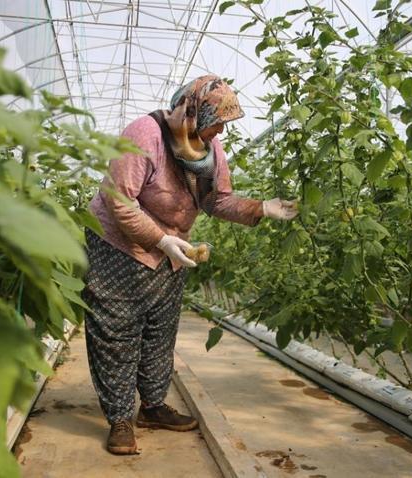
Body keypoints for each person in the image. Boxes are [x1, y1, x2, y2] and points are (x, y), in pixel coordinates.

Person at [83, 75, 298, 455]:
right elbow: (118, 201)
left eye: (223, 127)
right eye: (216, 123)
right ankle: (119, 418)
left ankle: (152, 406)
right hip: (118, 244)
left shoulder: (209, 149)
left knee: (159, 329)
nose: (219, 133)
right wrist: (162, 240)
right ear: (192, 110)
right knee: (116, 329)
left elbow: (217, 201)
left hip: (172, 249)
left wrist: (261, 207)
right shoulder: (145, 135)